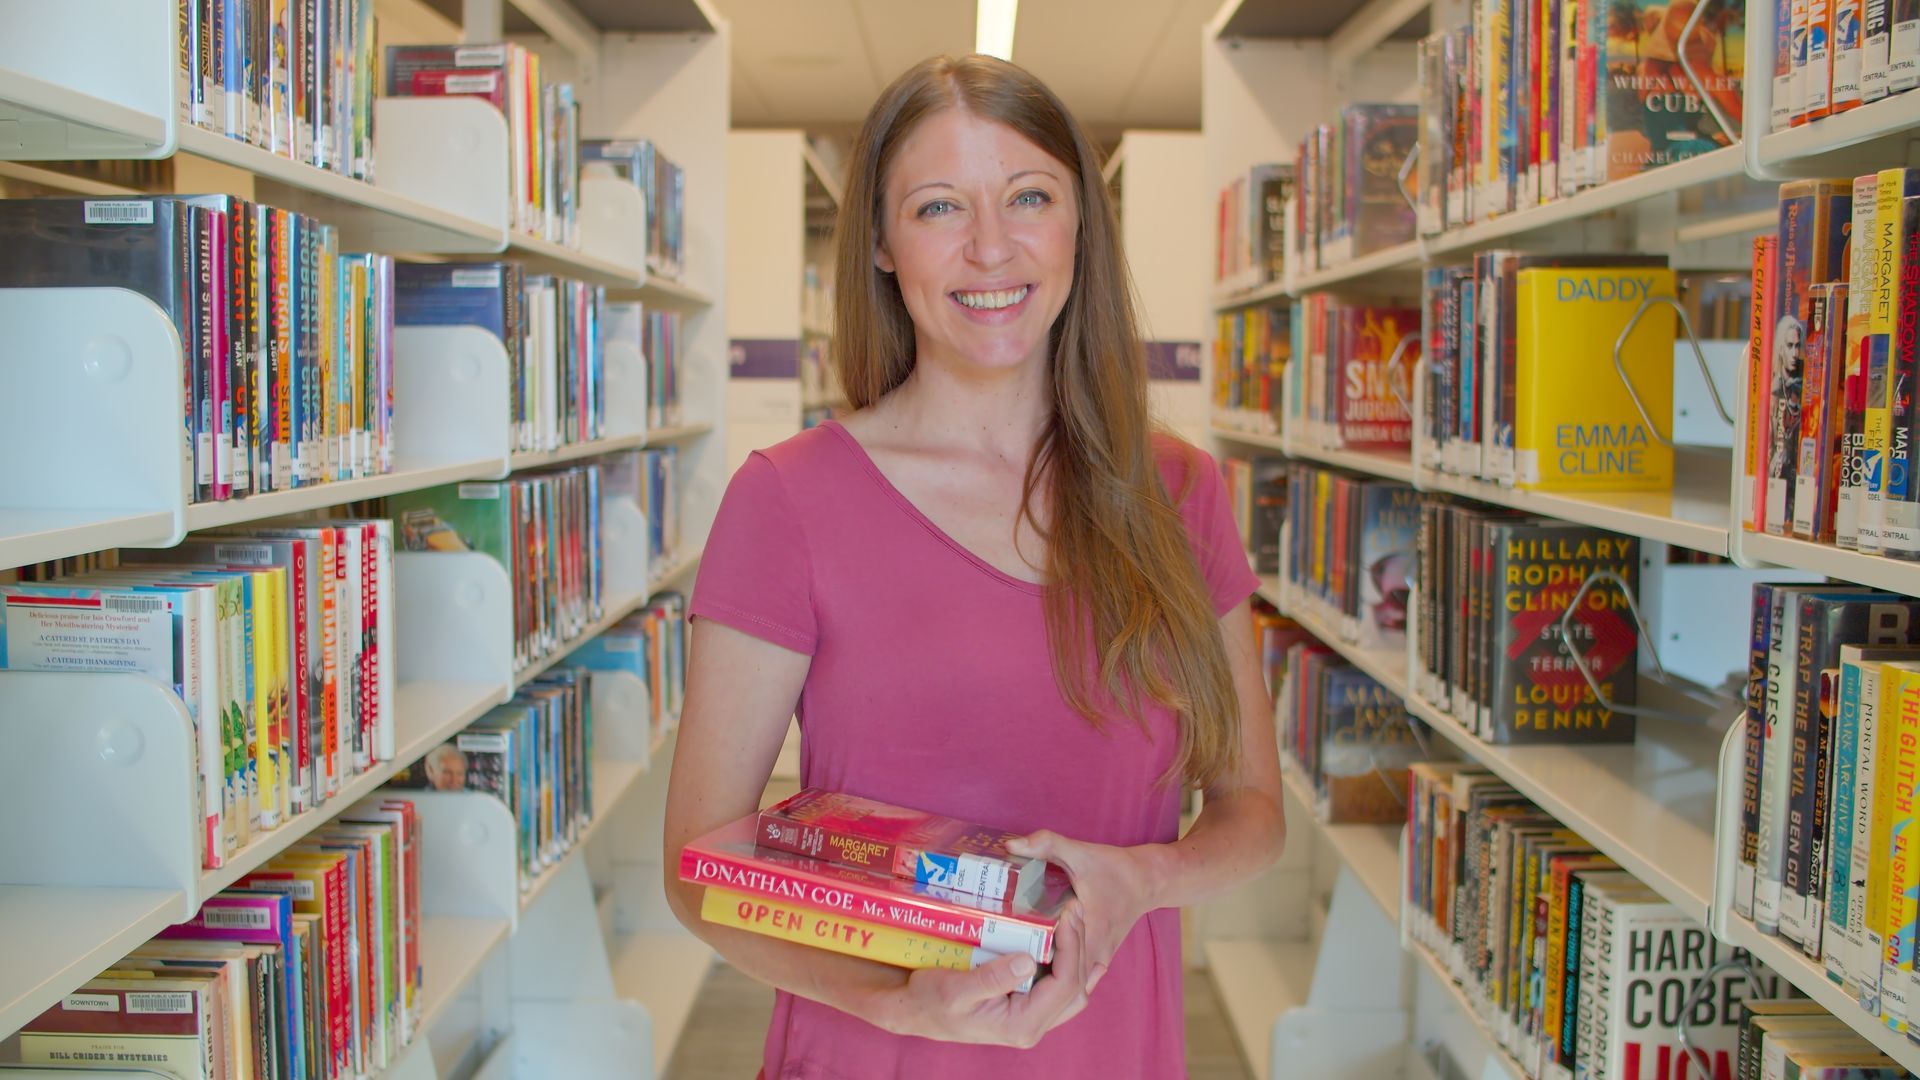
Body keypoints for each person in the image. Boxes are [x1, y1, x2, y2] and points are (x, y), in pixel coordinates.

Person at [662, 53, 1286, 1077]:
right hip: (873, 1056)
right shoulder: (788, 500)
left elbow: (1253, 812)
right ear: (880, 243)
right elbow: (697, 872)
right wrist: (898, 1003)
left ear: (1081, 223)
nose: (992, 247)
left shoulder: (1179, 494)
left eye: (1029, 196)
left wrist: (1145, 878)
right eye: (939, 207)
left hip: (1113, 1054)